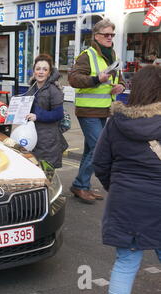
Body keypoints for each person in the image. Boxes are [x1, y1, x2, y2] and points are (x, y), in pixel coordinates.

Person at [92, 65, 161, 294]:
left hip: (124, 203)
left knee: (126, 264)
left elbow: (100, 163)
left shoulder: (115, 122)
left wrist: (117, 187)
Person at [68, 19, 126, 204]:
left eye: (112, 35)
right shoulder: (87, 55)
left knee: (90, 149)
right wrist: (96, 79)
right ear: (97, 36)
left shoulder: (113, 55)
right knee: (98, 148)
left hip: (104, 110)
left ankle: (82, 185)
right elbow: (73, 79)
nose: (110, 38)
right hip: (88, 111)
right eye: (106, 35)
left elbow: (120, 78)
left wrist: (121, 87)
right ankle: (80, 185)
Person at [24, 54, 67, 169]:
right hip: (33, 136)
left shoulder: (54, 90)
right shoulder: (32, 88)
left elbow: (58, 114)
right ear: (34, 71)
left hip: (48, 140)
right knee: (34, 172)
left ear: (49, 72)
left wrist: (38, 116)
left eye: (45, 69)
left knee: (47, 175)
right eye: (38, 69)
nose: (41, 72)